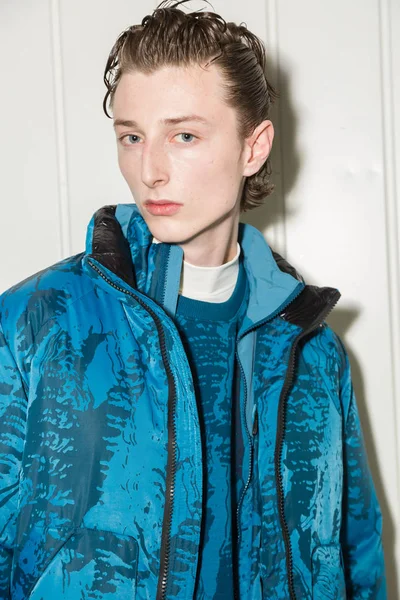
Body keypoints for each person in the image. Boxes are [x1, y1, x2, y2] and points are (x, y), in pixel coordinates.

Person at [0, 0, 386, 598]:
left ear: (252, 147)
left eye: (183, 135)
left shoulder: (313, 351)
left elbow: (355, 548)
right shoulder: (33, 323)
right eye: (131, 136)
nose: (150, 168)